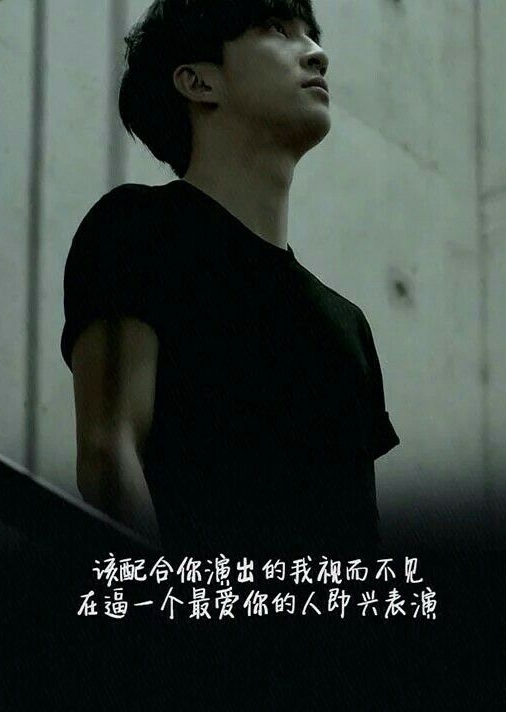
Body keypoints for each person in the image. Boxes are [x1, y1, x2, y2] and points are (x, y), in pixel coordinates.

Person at [60, 0, 400, 559]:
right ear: (199, 81)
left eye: (311, 34)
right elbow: (108, 453)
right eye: (276, 29)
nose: (317, 54)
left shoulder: (348, 327)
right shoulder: (137, 230)